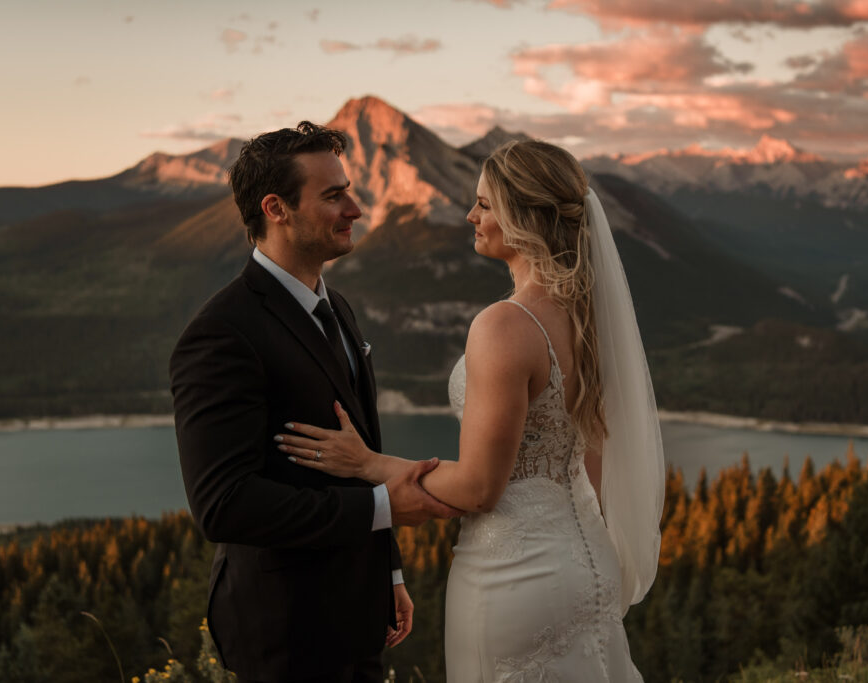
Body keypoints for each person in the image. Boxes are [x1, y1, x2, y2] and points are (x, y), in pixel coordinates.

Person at [276, 140, 665, 681]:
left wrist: (369, 464)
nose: (471, 215)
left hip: (515, 573)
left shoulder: (505, 326)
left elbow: (480, 489)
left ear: (522, 216)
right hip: (585, 560)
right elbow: (591, 462)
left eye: (484, 204)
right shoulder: (585, 317)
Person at [170, 121, 458, 683]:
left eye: (349, 189)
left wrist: (389, 571)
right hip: (284, 627)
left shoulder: (338, 307)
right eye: (334, 196)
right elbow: (223, 505)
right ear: (275, 208)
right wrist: (382, 509)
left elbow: (361, 450)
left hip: (358, 612)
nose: (356, 208)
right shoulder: (222, 332)